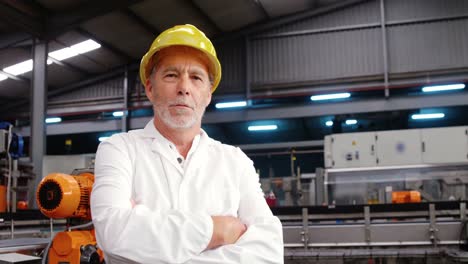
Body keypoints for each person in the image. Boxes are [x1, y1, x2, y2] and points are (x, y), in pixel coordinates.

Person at [90, 24, 284, 263]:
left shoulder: (235, 162)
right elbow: (113, 232)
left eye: (196, 77)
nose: (184, 88)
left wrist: (144, 236)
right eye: (171, 75)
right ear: (150, 88)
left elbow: (268, 252)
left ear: (208, 94)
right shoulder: (119, 149)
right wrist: (216, 230)